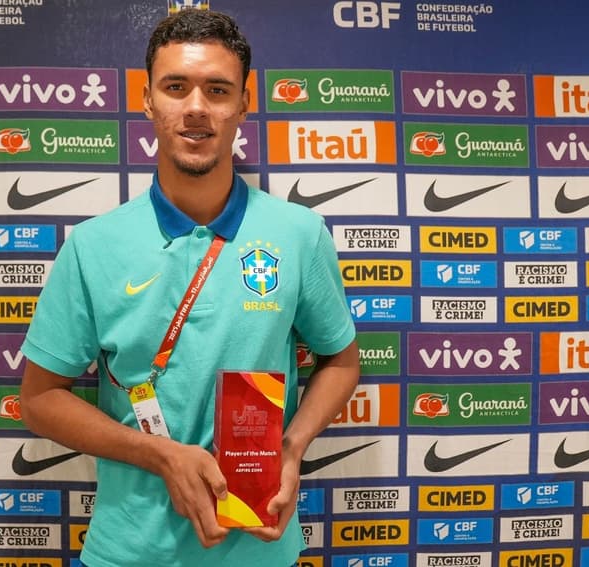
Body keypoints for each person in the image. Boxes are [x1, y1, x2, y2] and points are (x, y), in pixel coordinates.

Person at [19, 8, 360, 567]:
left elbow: (341, 362)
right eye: (176, 87)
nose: (197, 108)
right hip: (129, 551)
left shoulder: (299, 234)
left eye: (218, 90)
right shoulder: (92, 245)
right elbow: (38, 400)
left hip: (260, 549)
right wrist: (159, 456)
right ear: (148, 99)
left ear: (244, 103)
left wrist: (292, 447)